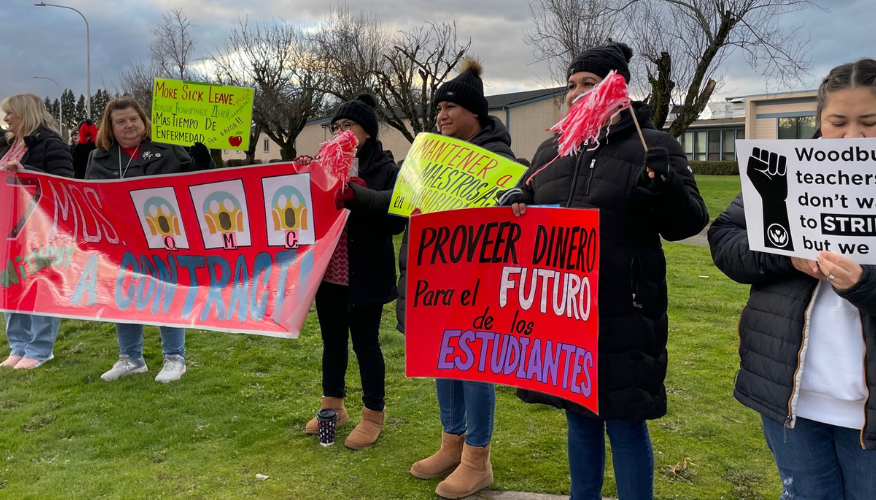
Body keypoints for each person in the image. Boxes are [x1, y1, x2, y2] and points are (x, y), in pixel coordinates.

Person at [708, 58, 876, 500]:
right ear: (819, 121)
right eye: (838, 122)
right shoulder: (780, 171)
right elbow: (726, 241)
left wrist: (868, 283)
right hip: (791, 394)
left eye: (869, 121)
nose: (853, 137)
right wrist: (783, 255)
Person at [500, 42, 708, 500]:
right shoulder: (554, 149)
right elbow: (528, 193)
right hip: (564, 311)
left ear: (616, 88)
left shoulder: (654, 145)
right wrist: (517, 200)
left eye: (589, 84)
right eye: (571, 85)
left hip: (623, 309)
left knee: (625, 422)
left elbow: (690, 221)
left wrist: (664, 186)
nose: (577, 93)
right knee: (579, 418)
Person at [403, 58, 516, 500]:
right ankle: (451, 443)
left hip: (478, 282)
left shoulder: (498, 159)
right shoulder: (430, 155)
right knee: (442, 359)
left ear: (475, 113)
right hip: (437, 282)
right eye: (438, 110)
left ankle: (477, 458)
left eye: (449, 107)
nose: (441, 116)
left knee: (474, 364)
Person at [298, 94, 406, 449]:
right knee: (332, 343)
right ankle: (333, 406)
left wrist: (364, 197)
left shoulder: (385, 169)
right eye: (336, 127)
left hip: (366, 275)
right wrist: (301, 175)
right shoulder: (324, 164)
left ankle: (373, 414)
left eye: (349, 127)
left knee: (366, 345)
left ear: (368, 133)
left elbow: (395, 223)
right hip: (328, 276)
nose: (341, 133)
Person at [86, 96, 214, 383]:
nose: (129, 125)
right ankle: (130, 358)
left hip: (164, 237)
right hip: (120, 242)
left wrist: (202, 156)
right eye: (121, 121)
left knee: (167, 294)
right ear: (111, 127)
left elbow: (199, 182)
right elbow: (87, 197)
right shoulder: (98, 157)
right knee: (124, 296)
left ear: (144, 121)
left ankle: (174, 358)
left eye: (134, 119)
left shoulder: (168, 149)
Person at [0, 93, 73, 369]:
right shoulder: (6, 145)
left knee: (40, 286)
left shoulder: (51, 144)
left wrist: (27, 171)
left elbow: (65, 186)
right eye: (5, 114)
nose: (6, 118)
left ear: (26, 114)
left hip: (39, 230)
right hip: (6, 229)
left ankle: (41, 349)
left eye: (11, 113)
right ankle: (18, 346)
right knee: (11, 286)